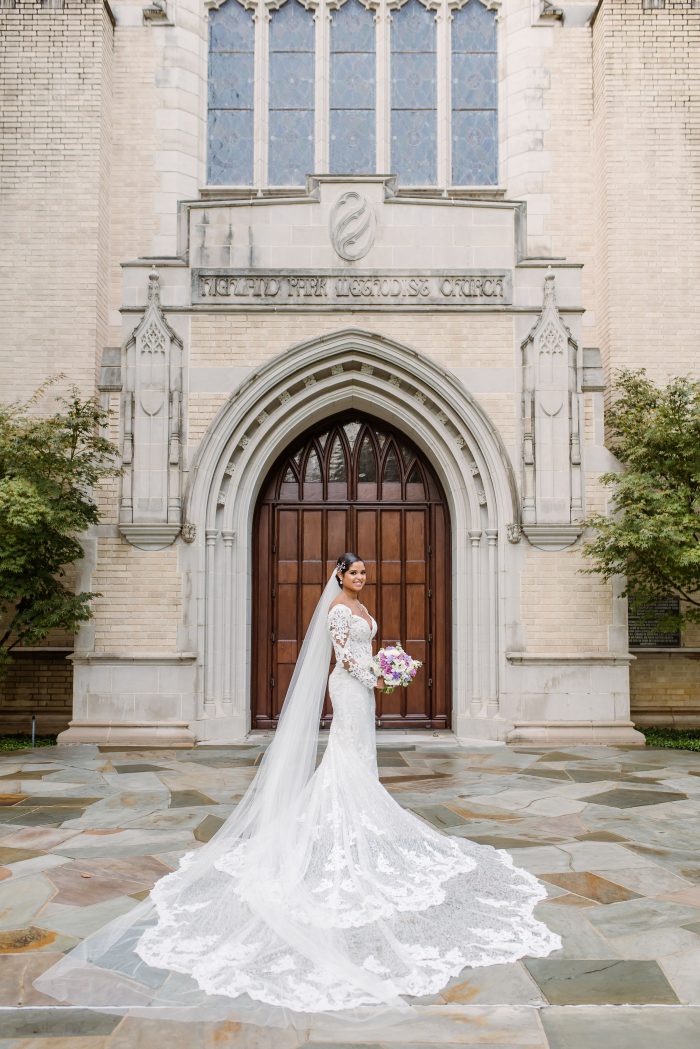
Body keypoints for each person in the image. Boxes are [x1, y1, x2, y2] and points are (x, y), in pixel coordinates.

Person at [35, 553, 561, 1031]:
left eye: (363, 574)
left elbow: (367, 644)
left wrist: (384, 664)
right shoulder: (336, 608)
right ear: (339, 574)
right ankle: (336, 821)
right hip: (350, 686)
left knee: (357, 758)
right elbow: (345, 654)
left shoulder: (360, 603)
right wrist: (378, 674)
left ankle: (352, 812)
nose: (361, 578)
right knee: (345, 757)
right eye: (354, 573)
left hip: (363, 687)